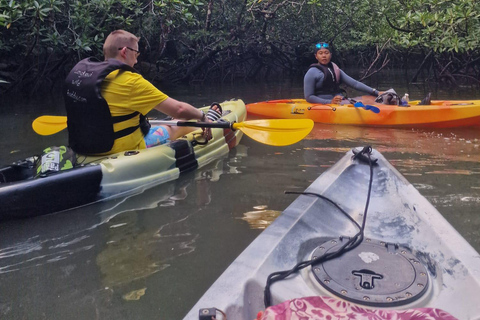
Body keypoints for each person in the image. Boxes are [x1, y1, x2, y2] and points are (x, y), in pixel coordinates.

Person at [64, 29, 220, 155]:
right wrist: (202, 116)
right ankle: (211, 120)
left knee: (153, 119)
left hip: (85, 147)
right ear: (125, 51)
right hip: (119, 148)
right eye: (136, 53)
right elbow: (179, 110)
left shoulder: (89, 78)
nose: (137, 60)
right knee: (180, 123)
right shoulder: (131, 81)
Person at [304, 42, 382, 105]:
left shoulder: (336, 70)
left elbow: (355, 84)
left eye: (326, 53)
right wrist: (329, 102)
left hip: (341, 101)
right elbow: (309, 97)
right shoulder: (312, 72)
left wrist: (377, 92)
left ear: (330, 55)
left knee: (371, 98)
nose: (324, 56)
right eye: (320, 53)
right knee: (368, 102)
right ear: (316, 56)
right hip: (326, 104)